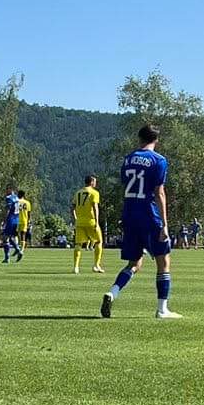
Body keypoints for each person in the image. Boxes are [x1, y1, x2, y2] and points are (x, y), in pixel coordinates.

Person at [101, 124, 180, 319]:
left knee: (134, 263)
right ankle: (162, 309)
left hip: (129, 213)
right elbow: (159, 192)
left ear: (139, 139)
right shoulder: (158, 160)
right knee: (163, 261)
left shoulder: (128, 159)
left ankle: (112, 293)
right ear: (156, 140)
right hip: (148, 213)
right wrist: (165, 224)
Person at [71, 175, 105, 274]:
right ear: (91, 182)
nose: (96, 183)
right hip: (91, 221)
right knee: (99, 242)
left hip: (80, 222)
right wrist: (97, 222)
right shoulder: (94, 193)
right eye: (95, 181)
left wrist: (75, 218)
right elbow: (95, 207)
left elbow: (72, 207)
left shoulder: (78, 193)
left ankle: (76, 267)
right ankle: (96, 265)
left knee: (78, 244)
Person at [1, 185, 24, 263]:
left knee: (5, 238)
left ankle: (8, 257)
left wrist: (5, 221)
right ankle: (17, 251)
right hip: (16, 220)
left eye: (7, 190)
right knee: (10, 238)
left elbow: (8, 210)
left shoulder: (9, 198)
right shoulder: (17, 198)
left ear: (10, 190)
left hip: (10, 220)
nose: (6, 192)